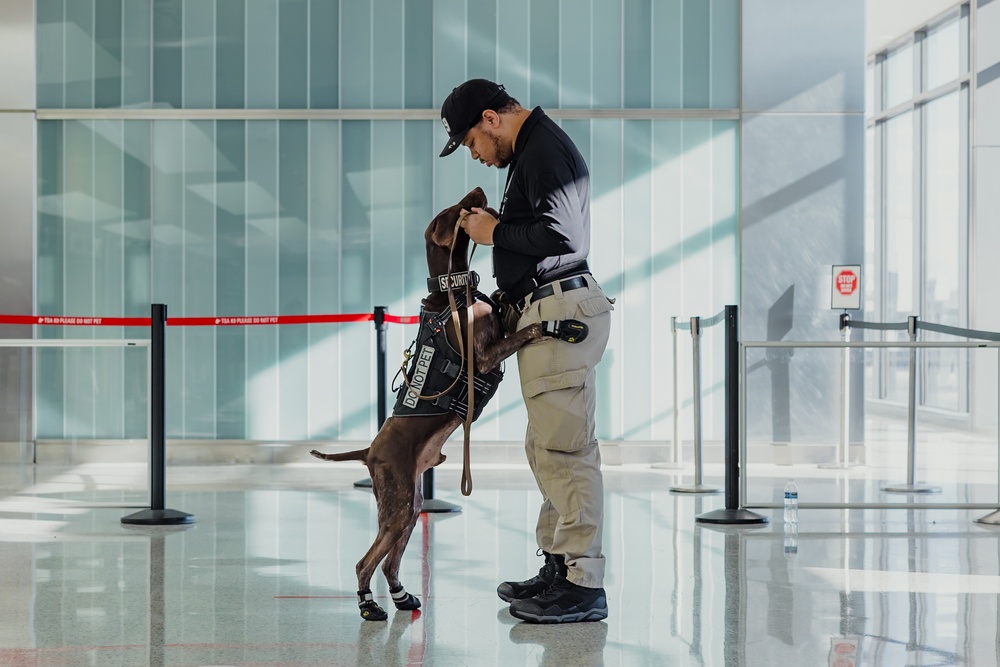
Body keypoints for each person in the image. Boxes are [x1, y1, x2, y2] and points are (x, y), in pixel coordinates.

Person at [438, 79, 613, 624]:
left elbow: (564, 236)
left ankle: (583, 584)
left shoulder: (541, 148)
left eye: (471, 143)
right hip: (544, 315)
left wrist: (495, 232)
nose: (477, 156)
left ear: (491, 119)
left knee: (565, 451)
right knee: (545, 449)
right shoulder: (534, 153)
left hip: (560, 315)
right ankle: (559, 567)